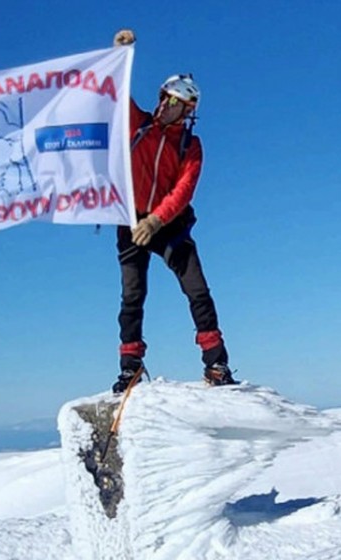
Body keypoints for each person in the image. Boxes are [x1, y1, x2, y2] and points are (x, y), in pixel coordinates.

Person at [111, 28, 236, 393]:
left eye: (176, 102)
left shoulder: (190, 145)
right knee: (132, 295)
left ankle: (217, 364)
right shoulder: (138, 125)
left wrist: (156, 220)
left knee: (197, 289)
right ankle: (129, 367)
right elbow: (115, 96)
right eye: (166, 98)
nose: (167, 106)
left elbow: (184, 189)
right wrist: (121, 53)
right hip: (130, 219)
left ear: (189, 109)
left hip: (168, 224)